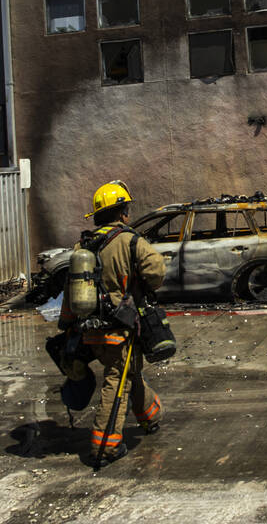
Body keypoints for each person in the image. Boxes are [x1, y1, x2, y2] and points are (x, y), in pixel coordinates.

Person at [58, 181, 167, 464]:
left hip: (88, 330)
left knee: (128, 373)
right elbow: (156, 271)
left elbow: (72, 291)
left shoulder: (82, 246)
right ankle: (105, 445)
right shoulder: (130, 241)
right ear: (122, 212)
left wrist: (67, 325)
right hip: (121, 329)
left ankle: (151, 416)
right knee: (117, 382)